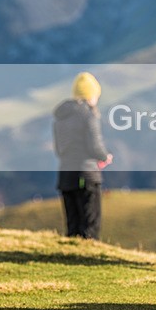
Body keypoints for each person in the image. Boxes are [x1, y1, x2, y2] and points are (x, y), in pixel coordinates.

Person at [53, 72, 113, 240]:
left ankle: (71, 257)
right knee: (90, 225)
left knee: (73, 225)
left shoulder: (60, 117)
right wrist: (104, 156)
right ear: (91, 95)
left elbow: (59, 149)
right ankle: (87, 258)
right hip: (86, 174)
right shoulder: (89, 115)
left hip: (65, 175)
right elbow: (94, 145)